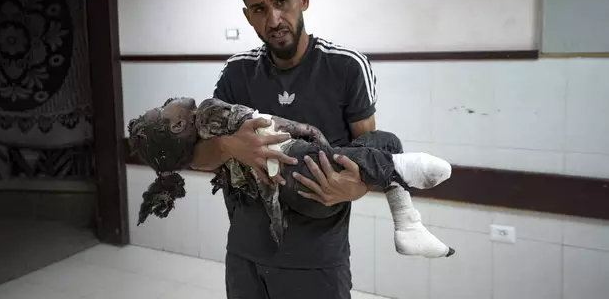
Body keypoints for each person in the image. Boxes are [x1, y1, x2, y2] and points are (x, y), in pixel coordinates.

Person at [189, 0, 395, 298]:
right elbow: (197, 156)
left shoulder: (346, 66)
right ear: (247, 16)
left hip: (318, 259)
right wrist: (229, 146)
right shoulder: (236, 72)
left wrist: (354, 190)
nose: (273, 19)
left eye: (281, 2)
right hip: (245, 254)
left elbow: (372, 157)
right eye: (258, 9)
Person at [127, 96, 455, 257]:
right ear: (177, 126)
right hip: (296, 179)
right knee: (301, 155)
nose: (168, 102)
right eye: (161, 110)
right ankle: (401, 169)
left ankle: (407, 223)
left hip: (315, 187)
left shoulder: (204, 127)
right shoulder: (209, 114)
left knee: (385, 141)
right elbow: (266, 142)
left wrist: (349, 179)